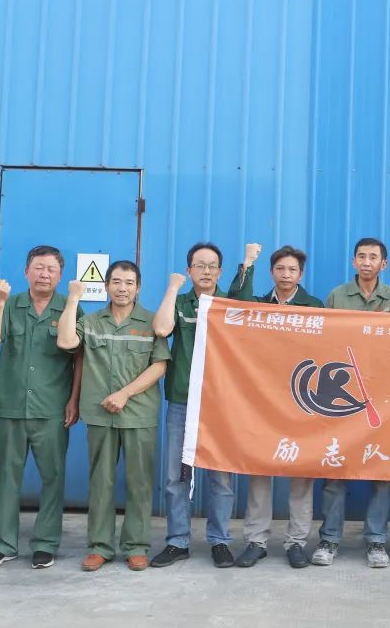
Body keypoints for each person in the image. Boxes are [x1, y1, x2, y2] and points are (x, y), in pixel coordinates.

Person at [57, 261, 170, 572]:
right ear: (106, 286)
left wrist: (125, 394)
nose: (123, 288)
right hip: (99, 414)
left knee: (139, 483)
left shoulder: (151, 322)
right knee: (101, 482)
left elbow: (160, 365)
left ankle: (136, 546)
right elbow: (66, 341)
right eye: (117, 282)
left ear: (138, 288)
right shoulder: (91, 321)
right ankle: (100, 546)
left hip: (139, 414)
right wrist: (73, 298)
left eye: (129, 283)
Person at [0, 246, 82, 570]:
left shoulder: (69, 308)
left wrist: (74, 399)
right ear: (26, 272)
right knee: (7, 477)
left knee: (53, 477)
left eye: (51, 269)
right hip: (11, 407)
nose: (44, 274)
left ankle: (45, 543)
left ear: (60, 276)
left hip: (52, 409)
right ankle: (2, 544)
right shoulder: (10, 305)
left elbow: (79, 358)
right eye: (38, 267)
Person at [310, 238, 390, 569]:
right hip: (342, 395)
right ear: (354, 261)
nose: (367, 262)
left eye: (373, 257)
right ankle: (329, 538)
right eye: (361, 256)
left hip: (383, 396)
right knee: (335, 466)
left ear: (383, 264)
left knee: (380, 469)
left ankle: (376, 540)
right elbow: (324, 341)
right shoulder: (338, 296)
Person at [227, 243, 324, 569]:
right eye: (280, 268)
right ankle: (256, 541)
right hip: (263, 399)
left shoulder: (314, 306)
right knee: (260, 470)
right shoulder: (257, 304)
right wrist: (248, 262)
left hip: (301, 399)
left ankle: (297, 542)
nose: (286, 274)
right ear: (271, 272)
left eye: (292, 269)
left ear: (301, 274)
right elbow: (235, 303)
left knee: (301, 473)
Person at [149, 243, 235, 569]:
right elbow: (161, 329)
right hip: (182, 401)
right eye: (199, 265)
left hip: (221, 403)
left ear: (220, 272)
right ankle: (178, 541)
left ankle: (220, 541)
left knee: (221, 478)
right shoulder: (181, 303)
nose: (206, 271)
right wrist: (173, 288)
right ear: (189, 271)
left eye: (212, 265)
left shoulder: (230, 305)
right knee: (176, 476)